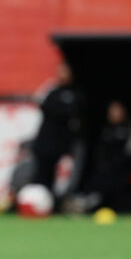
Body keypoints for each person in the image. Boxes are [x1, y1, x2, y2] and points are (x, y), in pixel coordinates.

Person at [30, 62, 85, 193]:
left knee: (62, 178)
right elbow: (42, 105)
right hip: (44, 143)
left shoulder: (76, 93)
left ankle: (57, 203)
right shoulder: (52, 91)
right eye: (60, 71)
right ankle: (38, 201)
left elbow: (72, 113)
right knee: (41, 175)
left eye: (65, 71)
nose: (62, 75)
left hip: (62, 144)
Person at [83, 100, 131, 212]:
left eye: (116, 110)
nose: (112, 113)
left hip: (122, 172)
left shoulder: (129, 129)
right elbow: (100, 152)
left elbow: (130, 152)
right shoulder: (106, 130)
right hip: (104, 172)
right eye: (111, 111)